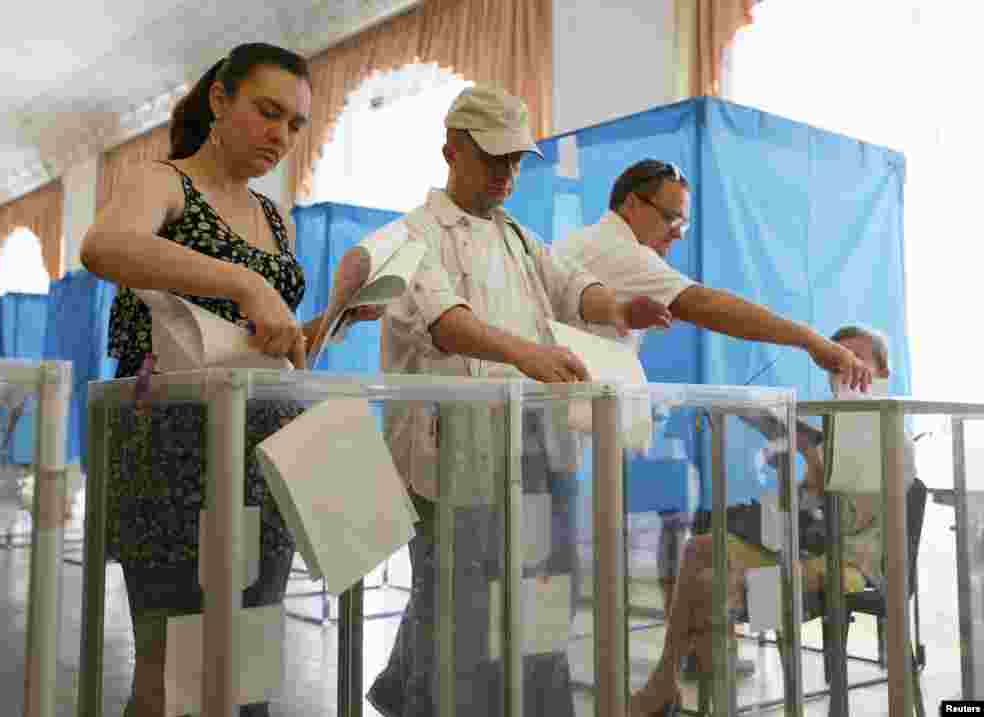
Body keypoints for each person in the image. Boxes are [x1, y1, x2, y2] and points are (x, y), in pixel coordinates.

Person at [80, 43, 379, 717]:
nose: (281, 135)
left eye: (296, 125)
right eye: (267, 112)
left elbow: (268, 345)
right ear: (220, 99)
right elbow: (104, 246)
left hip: (262, 449)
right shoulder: (164, 182)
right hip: (172, 446)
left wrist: (325, 324)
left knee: (245, 656)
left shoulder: (277, 218)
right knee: (171, 669)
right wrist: (245, 282)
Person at [366, 84, 676, 717]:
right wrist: (526, 355)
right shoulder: (411, 235)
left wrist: (619, 306)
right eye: (494, 158)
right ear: (452, 149)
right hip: (452, 452)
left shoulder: (519, 238)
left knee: (540, 596)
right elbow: (444, 320)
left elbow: (571, 289)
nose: (508, 173)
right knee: (457, 605)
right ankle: (432, 704)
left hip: (533, 448)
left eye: (515, 160)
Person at [550, 158, 873, 667]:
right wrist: (806, 353)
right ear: (631, 204)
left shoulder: (882, 428)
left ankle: (734, 665)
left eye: (685, 223)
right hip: (798, 529)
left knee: (739, 563)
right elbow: (703, 303)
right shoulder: (614, 250)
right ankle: (694, 665)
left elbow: (859, 516)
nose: (677, 234)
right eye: (670, 218)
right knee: (700, 549)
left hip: (847, 549)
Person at [628, 325, 912, 716]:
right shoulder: (831, 429)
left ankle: (685, 689)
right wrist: (792, 463)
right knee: (699, 548)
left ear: (883, 373)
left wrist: (813, 461)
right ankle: (668, 679)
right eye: (837, 359)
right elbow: (804, 513)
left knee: (714, 584)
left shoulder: (889, 430)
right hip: (809, 546)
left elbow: (846, 522)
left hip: (854, 562)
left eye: (857, 358)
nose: (845, 366)